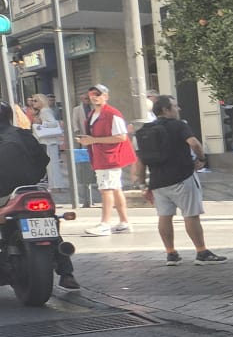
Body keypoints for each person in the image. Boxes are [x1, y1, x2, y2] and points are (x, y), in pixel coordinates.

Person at [136, 95, 226, 265]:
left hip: (158, 181)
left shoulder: (145, 130)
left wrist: (143, 185)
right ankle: (201, 252)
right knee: (191, 215)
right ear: (166, 110)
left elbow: (140, 161)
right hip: (182, 177)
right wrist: (202, 159)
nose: (179, 109)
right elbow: (194, 143)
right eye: (175, 106)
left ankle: (171, 253)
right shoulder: (178, 125)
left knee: (164, 216)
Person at [0, 105, 80, 289]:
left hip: (3, 194)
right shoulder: (24, 134)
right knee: (45, 222)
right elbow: (44, 159)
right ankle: (66, 273)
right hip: (29, 189)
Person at [77, 84, 136, 236]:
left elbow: (121, 137)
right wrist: (90, 140)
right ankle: (124, 222)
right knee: (115, 189)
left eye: (98, 94)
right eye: (92, 94)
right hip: (102, 156)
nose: (94, 97)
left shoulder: (112, 114)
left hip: (109, 157)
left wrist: (93, 140)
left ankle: (105, 224)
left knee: (106, 190)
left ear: (106, 96)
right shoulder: (93, 114)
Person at [24, 95, 66, 196]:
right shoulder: (43, 111)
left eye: (35, 101)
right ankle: (54, 186)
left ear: (41, 101)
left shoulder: (45, 111)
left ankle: (55, 186)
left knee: (52, 165)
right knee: (51, 165)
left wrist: (41, 124)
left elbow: (53, 123)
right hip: (48, 141)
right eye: (33, 101)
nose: (33, 103)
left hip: (49, 141)